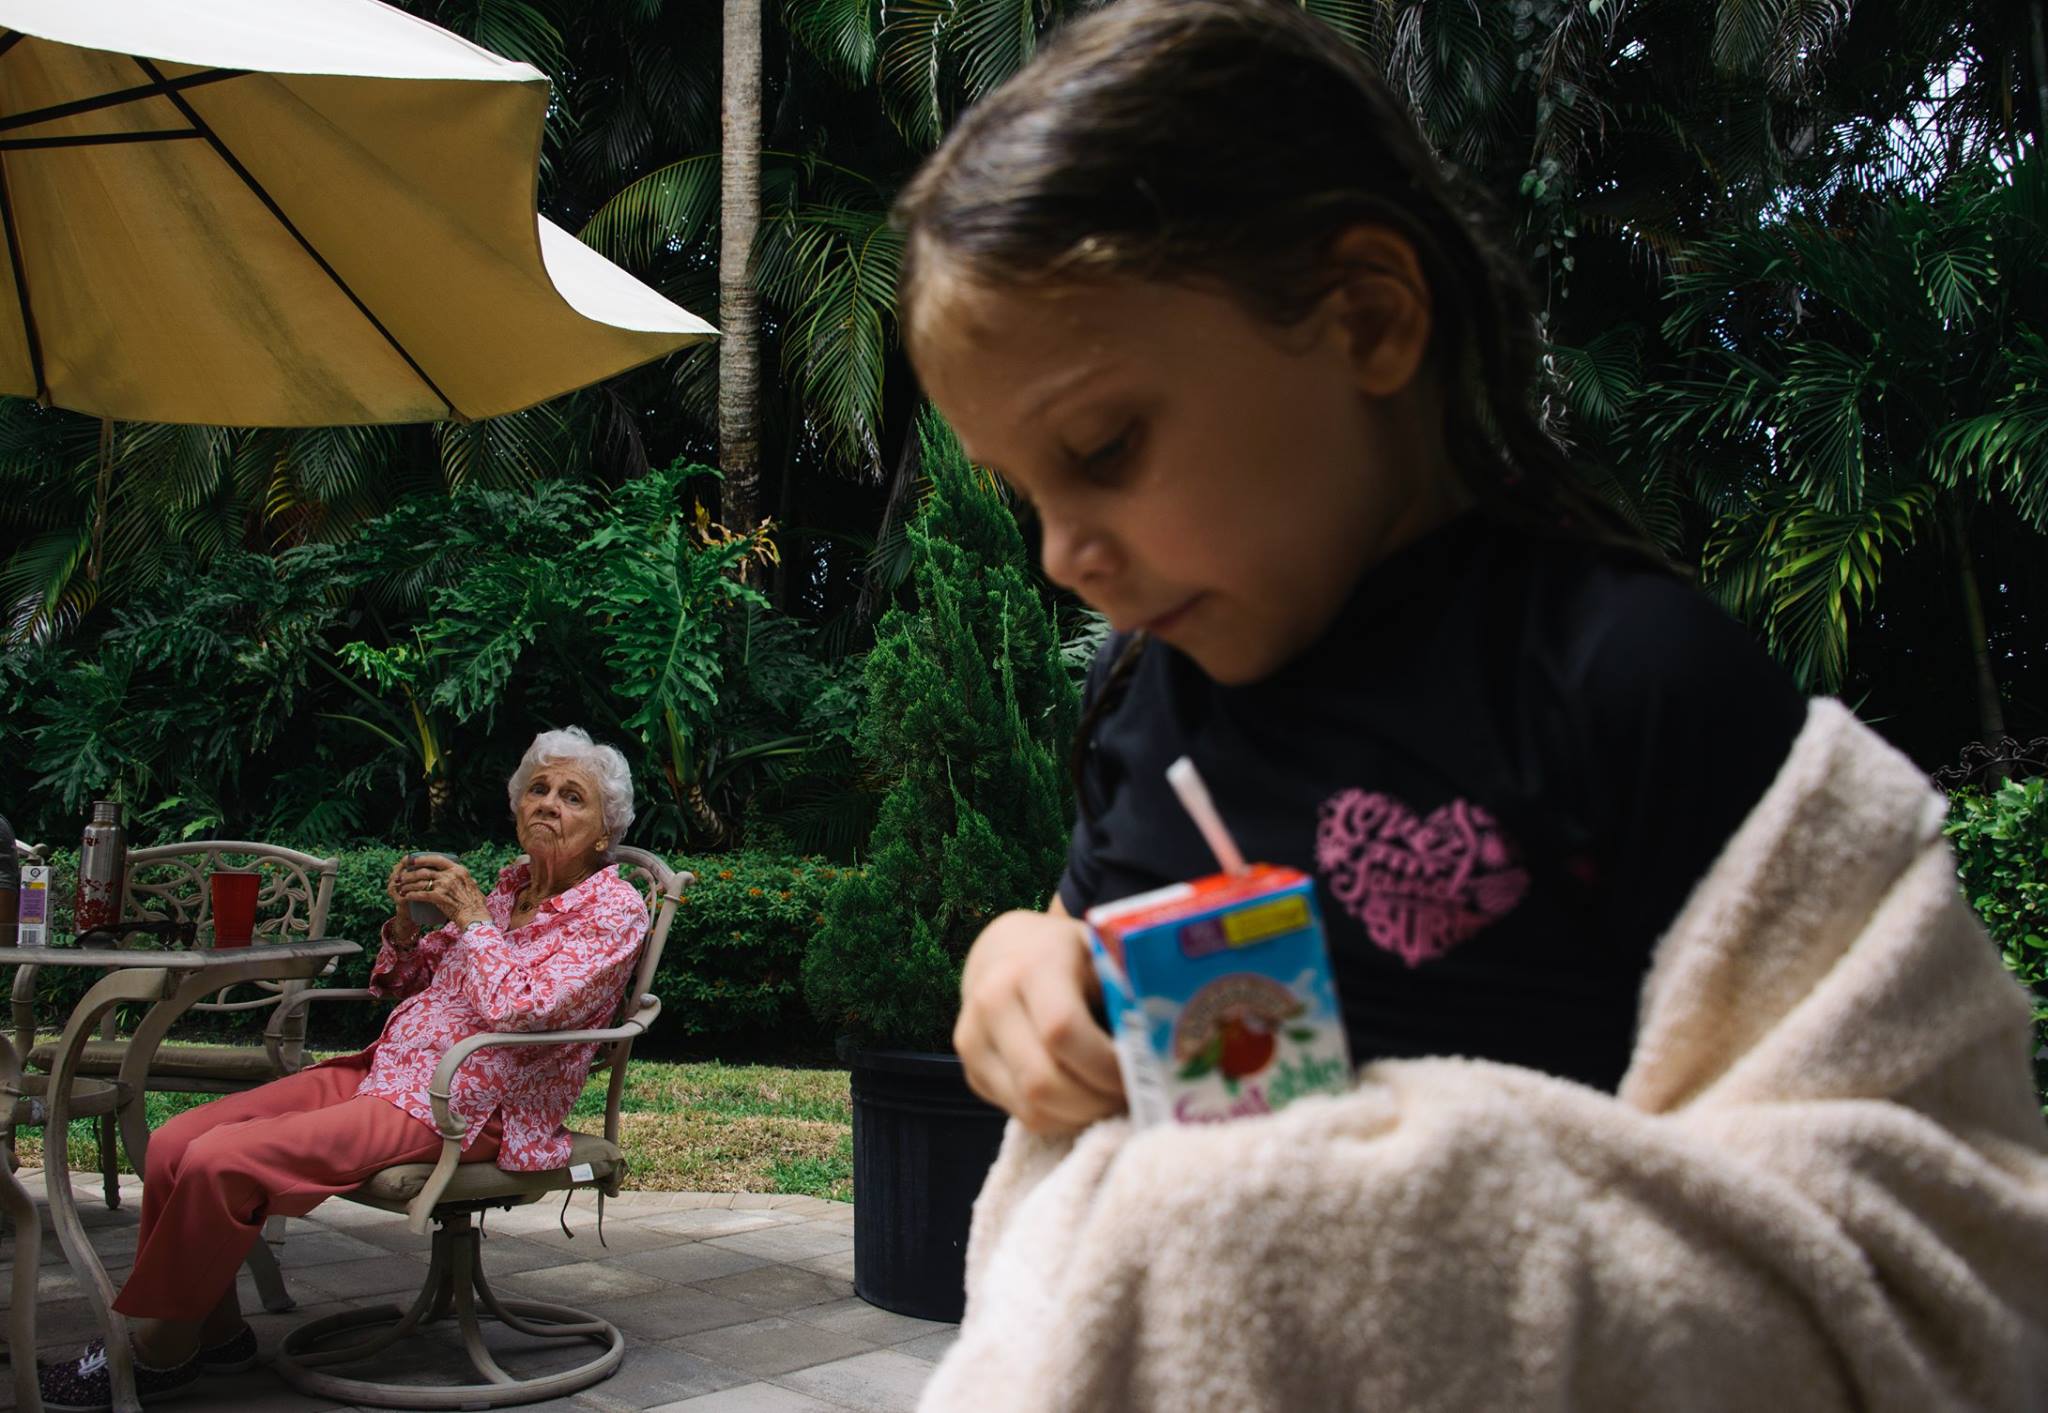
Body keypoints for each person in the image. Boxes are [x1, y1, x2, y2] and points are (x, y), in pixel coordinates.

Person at [900, 0, 1809, 1136]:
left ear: (1367, 320)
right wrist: (1021, 959)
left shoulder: (1634, 687)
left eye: (1103, 450)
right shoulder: (1142, 695)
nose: (1060, 556)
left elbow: (1844, 1170)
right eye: (1028, 492)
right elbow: (1079, 951)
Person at [40, 727, 649, 1413]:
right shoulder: (506, 890)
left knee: (219, 1163)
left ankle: (155, 1349)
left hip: (468, 1103)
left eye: (572, 797)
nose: (548, 803)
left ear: (604, 833)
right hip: (386, 1072)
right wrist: (406, 923)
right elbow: (401, 980)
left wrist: (473, 918)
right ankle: (218, 1330)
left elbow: (521, 1007)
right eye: (537, 788)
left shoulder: (614, 910)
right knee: (178, 1142)